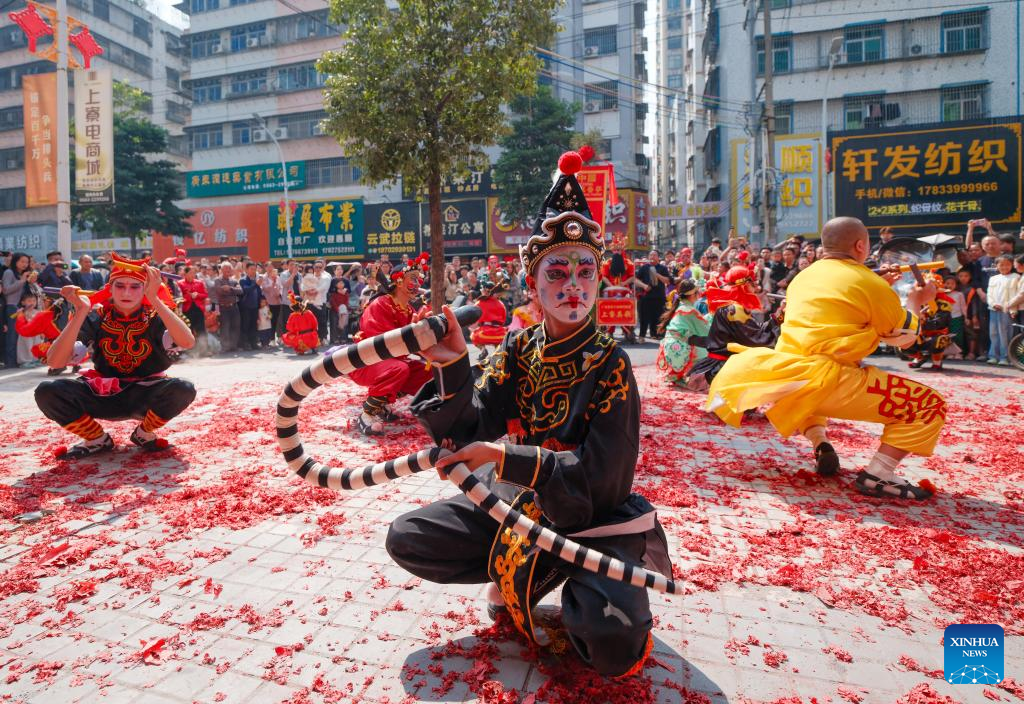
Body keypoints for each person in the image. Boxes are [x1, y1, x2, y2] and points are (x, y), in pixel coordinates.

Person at [387, 151, 671, 678]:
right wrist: (452, 364)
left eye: (586, 271)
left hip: (595, 518)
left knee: (612, 642)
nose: (574, 286)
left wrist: (507, 459)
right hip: (522, 506)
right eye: (557, 272)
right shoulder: (521, 348)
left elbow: (606, 480)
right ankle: (516, 574)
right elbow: (473, 424)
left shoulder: (610, 362)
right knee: (409, 538)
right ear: (532, 285)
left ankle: (584, 591)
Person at [706, 217, 942, 501]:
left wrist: (875, 285)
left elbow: (841, 299)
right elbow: (904, 337)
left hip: (787, 374)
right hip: (832, 381)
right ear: (860, 245)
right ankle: (880, 473)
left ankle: (820, 441)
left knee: (807, 396)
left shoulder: (803, 277)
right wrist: (919, 300)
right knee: (929, 404)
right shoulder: (869, 283)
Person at [34, 254, 196, 460]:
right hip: (103, 395)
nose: (127, 292)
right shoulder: (96, 316)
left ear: (145, 288)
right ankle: (96, 438)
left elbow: (187, 342)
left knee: (183, 388)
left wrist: (155, 299)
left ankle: (144, 433)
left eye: (135, 286)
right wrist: (81, 311)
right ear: (109, 288)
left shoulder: (156, 316)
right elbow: (55, 361)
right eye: (120, 286)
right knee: (47, 391)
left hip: (145, 394)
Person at [348, 255, 433, 436]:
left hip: (392, 363)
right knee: (399, 369)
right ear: (399, 281)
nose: (418, 283)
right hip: (366, 362)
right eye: (413, 278)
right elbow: (382, 344)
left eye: (419, 278)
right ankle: (367, 414)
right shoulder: (380, 304)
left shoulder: (409, 310)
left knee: (428, 372)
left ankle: (382, 405)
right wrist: (415, 341)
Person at [687, 265, 780, 392]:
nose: (756, 286)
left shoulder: (732, 305)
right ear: (743, 285)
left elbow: (753, 330)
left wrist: (777, 319)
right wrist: (778, 326)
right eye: (752, 282)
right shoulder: (734, 309)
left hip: (722, 363)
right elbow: (754, 338)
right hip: (724, 367)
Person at [656, 279, 710, 386]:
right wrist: (713, 318)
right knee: (706, 352)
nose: (698, 295)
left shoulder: (681, 306)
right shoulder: (689, 309)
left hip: (668, 346)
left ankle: (677, 376)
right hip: (678, 348)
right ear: (691, 295)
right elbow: (705, 328)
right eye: (696, 293)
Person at [906, 275, 956, 371]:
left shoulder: (943, 304)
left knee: (939, 340)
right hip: (919, 334)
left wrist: (924, 322)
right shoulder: (917, 302)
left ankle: (937, 361)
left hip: (936, 334)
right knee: (903, 340)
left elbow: (942, 323)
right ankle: (919, 358)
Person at [986, 254, 1021, 366]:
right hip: (994, 309)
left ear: (1012, 265)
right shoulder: (993, 278)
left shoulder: (1016, 277)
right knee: (993, 333)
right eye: (1001, 265)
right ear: (997, 266)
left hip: (1007, 310)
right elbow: (989, 294)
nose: (1004, 267)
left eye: (1007, 265)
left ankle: (1005, 357)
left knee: (1006, 334)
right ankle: (993, 356)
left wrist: (1013, 310)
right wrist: (993, 304)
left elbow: (1016, 295)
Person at [3, 252, 33, 368]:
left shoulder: (24, 274)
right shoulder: (9, 272)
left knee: (20, 336)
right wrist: (22, 280)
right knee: (12, 335)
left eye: (27, 262)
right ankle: (10, 362)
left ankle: (19, 360)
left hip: (22, 308)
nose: (25, 264)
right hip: (12, 307)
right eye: (22, 261)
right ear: (15, 261)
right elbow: (6, 290)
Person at [635, 250, 671, 343]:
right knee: (644, 317)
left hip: (659, 296)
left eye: (654, 255)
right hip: (646, 296)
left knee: (659, 317)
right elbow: (635, 280)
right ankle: (641, 336)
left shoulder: (662, 268)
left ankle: (657, 335)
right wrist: (644, 286)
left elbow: (667, 281)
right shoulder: (644, 268)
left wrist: (657, 275)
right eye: (650, 255)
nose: (652, 257)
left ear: (658, 257)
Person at [238, 262, 262, 351]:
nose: (253, 271)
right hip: (245, 306)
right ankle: (245, 343)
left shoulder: (256, 279)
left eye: (255, 269)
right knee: (245, 325)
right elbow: (246, 290)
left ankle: (253, 343)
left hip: (255, 306)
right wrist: (256, 284)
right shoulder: (243, 280)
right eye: (251, 269)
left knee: (253, 325)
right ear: (246, 270)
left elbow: (258, 292)